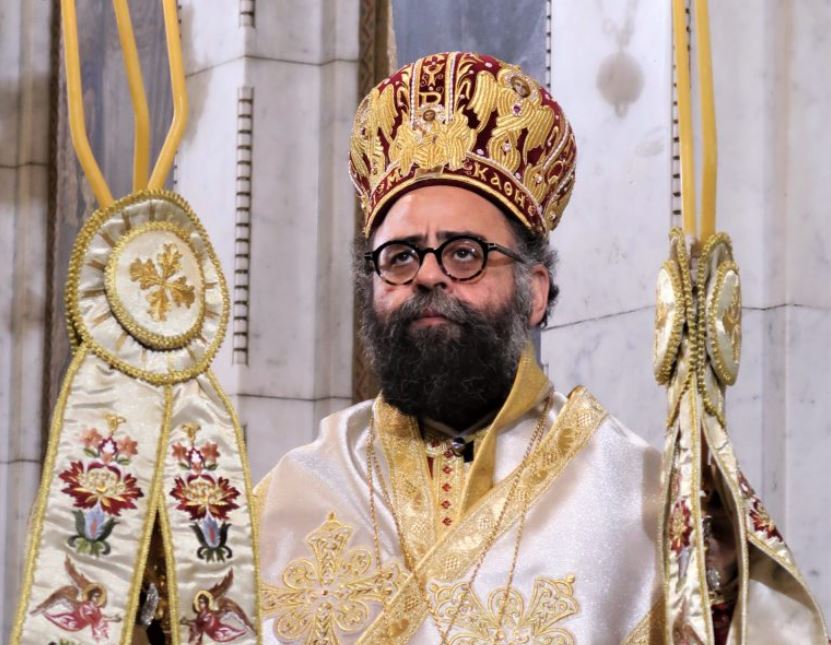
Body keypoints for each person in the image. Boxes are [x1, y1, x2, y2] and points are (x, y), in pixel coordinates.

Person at [255, 52, 826, 644]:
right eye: (399, 257)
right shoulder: (292, 495)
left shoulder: (643, 500)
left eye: (463, 253)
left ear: (535, 292)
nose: (426, 275)